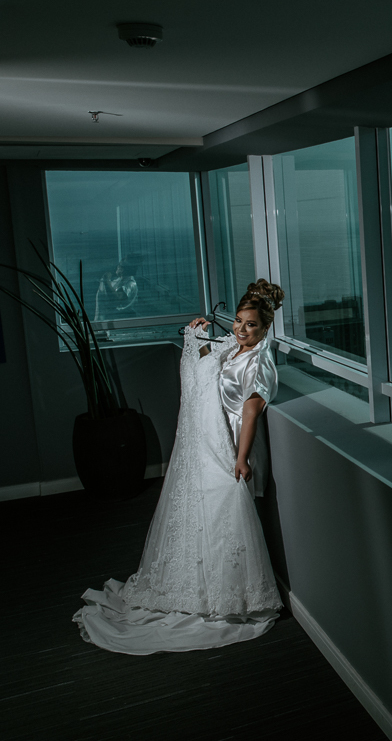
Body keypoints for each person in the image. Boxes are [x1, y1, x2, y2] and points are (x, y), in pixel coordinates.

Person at [73, 280, 286, 654]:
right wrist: (196, 338)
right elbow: (210, 364)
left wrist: (241, 457)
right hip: (212, 439)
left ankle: (231, 594)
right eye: (238, 321)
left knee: (224, 514)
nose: (241, 328)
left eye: (250, 324)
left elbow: (251, 412)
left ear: (265, 328)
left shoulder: (260, 360)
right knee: (205, 514)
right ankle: (202, 586)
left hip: (233, 444)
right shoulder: (236, 348)